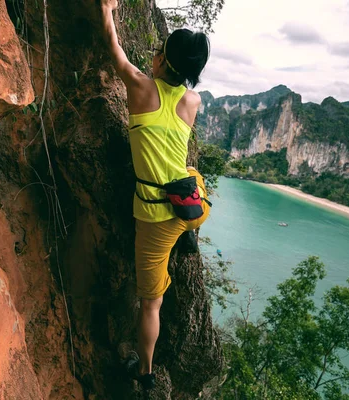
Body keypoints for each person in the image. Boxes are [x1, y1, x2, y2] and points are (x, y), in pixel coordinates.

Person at [100, 0, 212, 391]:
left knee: (151, 303)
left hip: (158, 218)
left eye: (159, 52)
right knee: (187, 170)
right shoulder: (193, 101)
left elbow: (114, 49)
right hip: (196, 203)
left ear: (163, 60)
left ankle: (144, 373)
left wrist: (106, 8)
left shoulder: (141, 87)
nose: (153, 56)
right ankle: (190, 233)